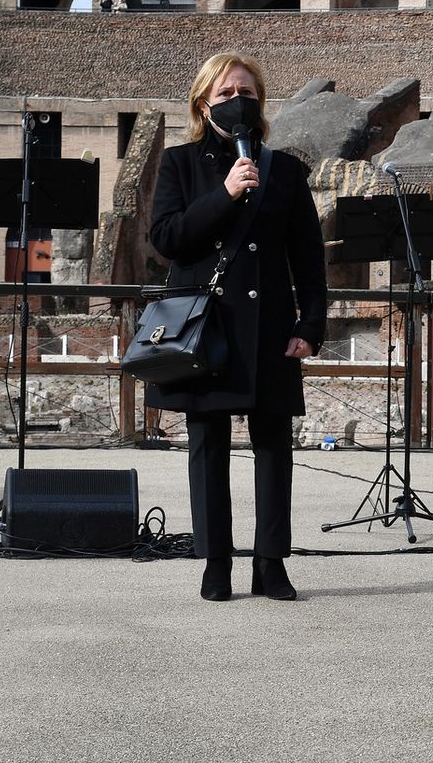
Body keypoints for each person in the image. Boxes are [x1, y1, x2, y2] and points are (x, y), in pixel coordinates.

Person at [148, 51, 326, 602]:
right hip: (207, 325)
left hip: (269, 324)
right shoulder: (179, 163)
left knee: (275, 446)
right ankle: (216, 563)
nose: (236, 102)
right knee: (209, 447)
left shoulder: (286, 170)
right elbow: (169, 240)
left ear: (261, 101)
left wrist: (311, 324)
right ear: (204, 103)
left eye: (246, 92)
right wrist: (224, 194)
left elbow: (309, 257)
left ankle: (271, 564)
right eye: (225, 94)